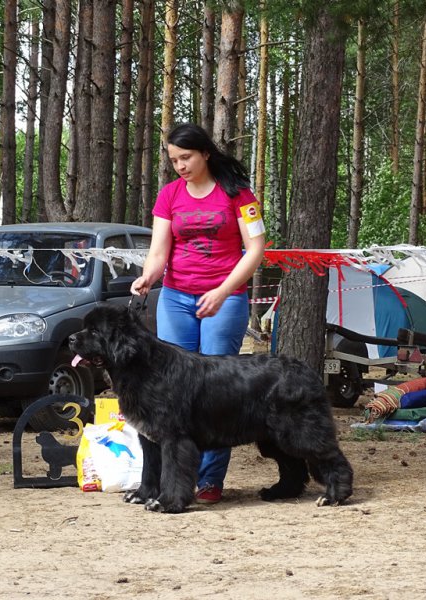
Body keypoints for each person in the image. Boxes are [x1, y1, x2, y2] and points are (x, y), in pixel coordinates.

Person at [130, 123, 266, 503]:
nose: (180, 166)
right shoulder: (169, 195)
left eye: (186, 157)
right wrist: (147, 277)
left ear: (205, 152)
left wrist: (222, 292)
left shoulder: (238, 194)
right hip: (175, 298)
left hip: (225, 298)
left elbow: (255, 250)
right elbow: (159, 252)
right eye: (174, 160)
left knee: (215, 389)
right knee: (172, 392)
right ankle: (171, 483)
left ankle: (210, 481)